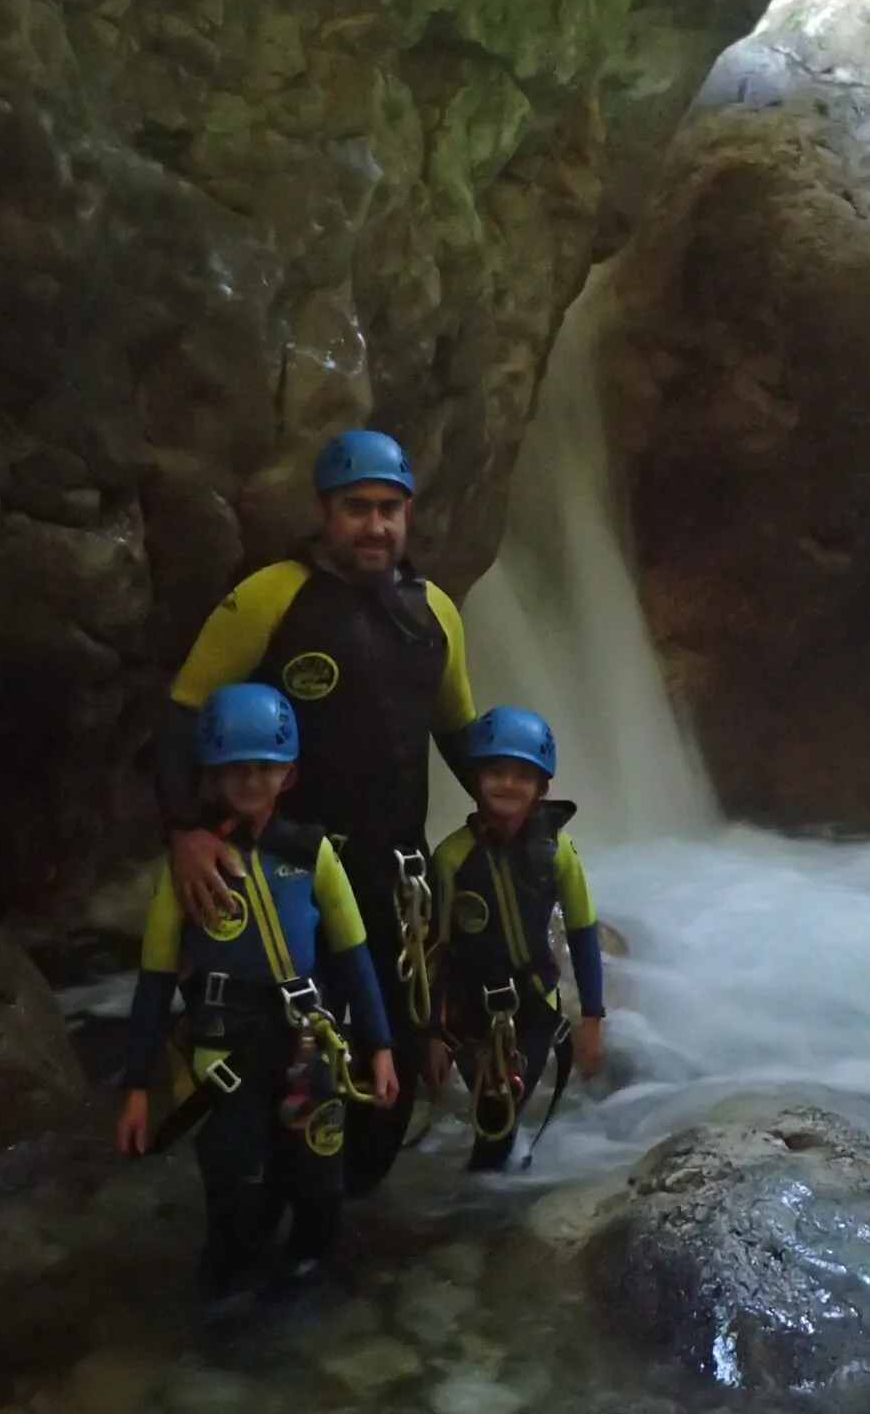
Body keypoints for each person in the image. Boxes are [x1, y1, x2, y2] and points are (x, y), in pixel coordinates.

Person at [154, 430, 477, 1196]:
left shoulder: (433, 612)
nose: (375, 526)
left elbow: (457, 731)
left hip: (394, 877)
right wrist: (185, 832)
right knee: (282, 1061)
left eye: (390, 509)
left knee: (387, 1050)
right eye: (356, 508)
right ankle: (268, 1220)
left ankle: (345, 1228)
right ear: (324, 512)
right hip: (285, 880)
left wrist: (518, 820)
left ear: (409, 515)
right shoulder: (271, 598)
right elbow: (178, 717)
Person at [116, 683, 402, 1304]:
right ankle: (225, 1306)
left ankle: (303, 1293)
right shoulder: (187, 869)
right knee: (236, 1189)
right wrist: (137, 1089)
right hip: (224, 1046)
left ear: (289, 774)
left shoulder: (313, 853)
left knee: (323, 1185)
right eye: (235, 768)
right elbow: (156, 980)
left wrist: (380, 1046)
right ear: (210, 776)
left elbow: (354, 956)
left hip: (309, 1036)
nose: (250, 780)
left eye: (265, 767)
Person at [421, 706, 608, 1171]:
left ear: (542, 787)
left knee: (500, 1115)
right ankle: (494, 1186)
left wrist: (592, 1018)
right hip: (472, 1010)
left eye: (522, 775)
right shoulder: (451, 858)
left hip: (534, 1006)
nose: (508, 784)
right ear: (475, 779)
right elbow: (437, 949)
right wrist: (434, 1034)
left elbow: (584, 932)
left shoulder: (558, 851)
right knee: (494, 1117)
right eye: (496, 772)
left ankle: (492, 1191)